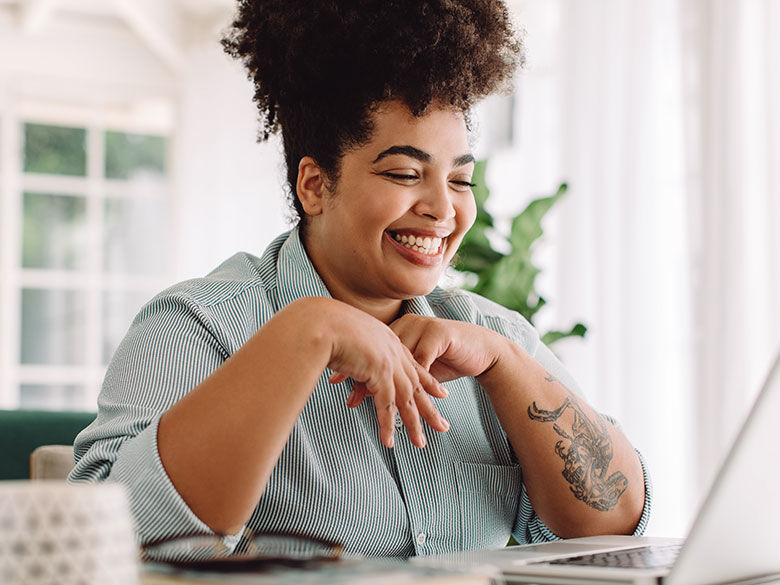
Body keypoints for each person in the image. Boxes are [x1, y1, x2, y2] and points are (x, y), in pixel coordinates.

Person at [70, 0, 651, 557]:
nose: (442, 209)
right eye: (404, 173)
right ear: (315, 185)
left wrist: (507, 367)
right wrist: (306, 332)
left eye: (460, 180)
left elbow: (614, 528)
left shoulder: (489, 337)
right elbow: (103, 545)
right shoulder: (196, 328)